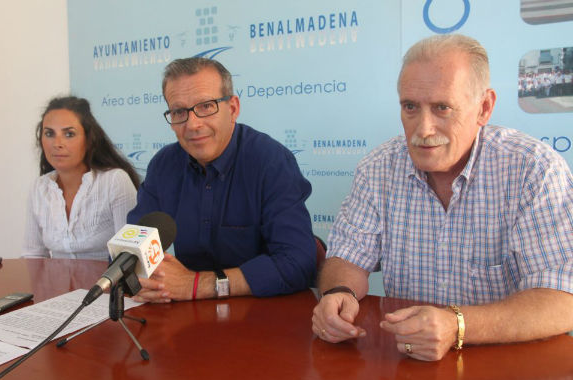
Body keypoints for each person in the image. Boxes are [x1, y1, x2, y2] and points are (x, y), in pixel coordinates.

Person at [311, 34, 573, 361]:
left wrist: (457, 326)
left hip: (507, 367)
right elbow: (347, 257)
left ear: (484, 107)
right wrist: (339, 293)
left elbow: (563, 300)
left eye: (442, 107)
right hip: (407, 365)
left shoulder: (533, 170)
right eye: (410, 107)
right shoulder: (377, 169)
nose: (423, 129)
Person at [128, 57, 315, 301]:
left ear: (233, 108)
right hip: (188, 316)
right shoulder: (164, 165)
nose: (193, 124)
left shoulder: (271, 161)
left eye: (206, 106)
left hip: (263, 313)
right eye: (179, 111)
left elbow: (298, 263)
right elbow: (130, 248)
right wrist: (139, 280)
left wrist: (197, 285)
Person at [22, 96, 139, 260]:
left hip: (108, 284)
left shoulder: (115, 181)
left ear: (89, 140)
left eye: (69, 134)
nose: (57, 143)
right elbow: (33, 256)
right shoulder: (39, 188)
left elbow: (131, 257)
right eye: (49, 133)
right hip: (57, 285)